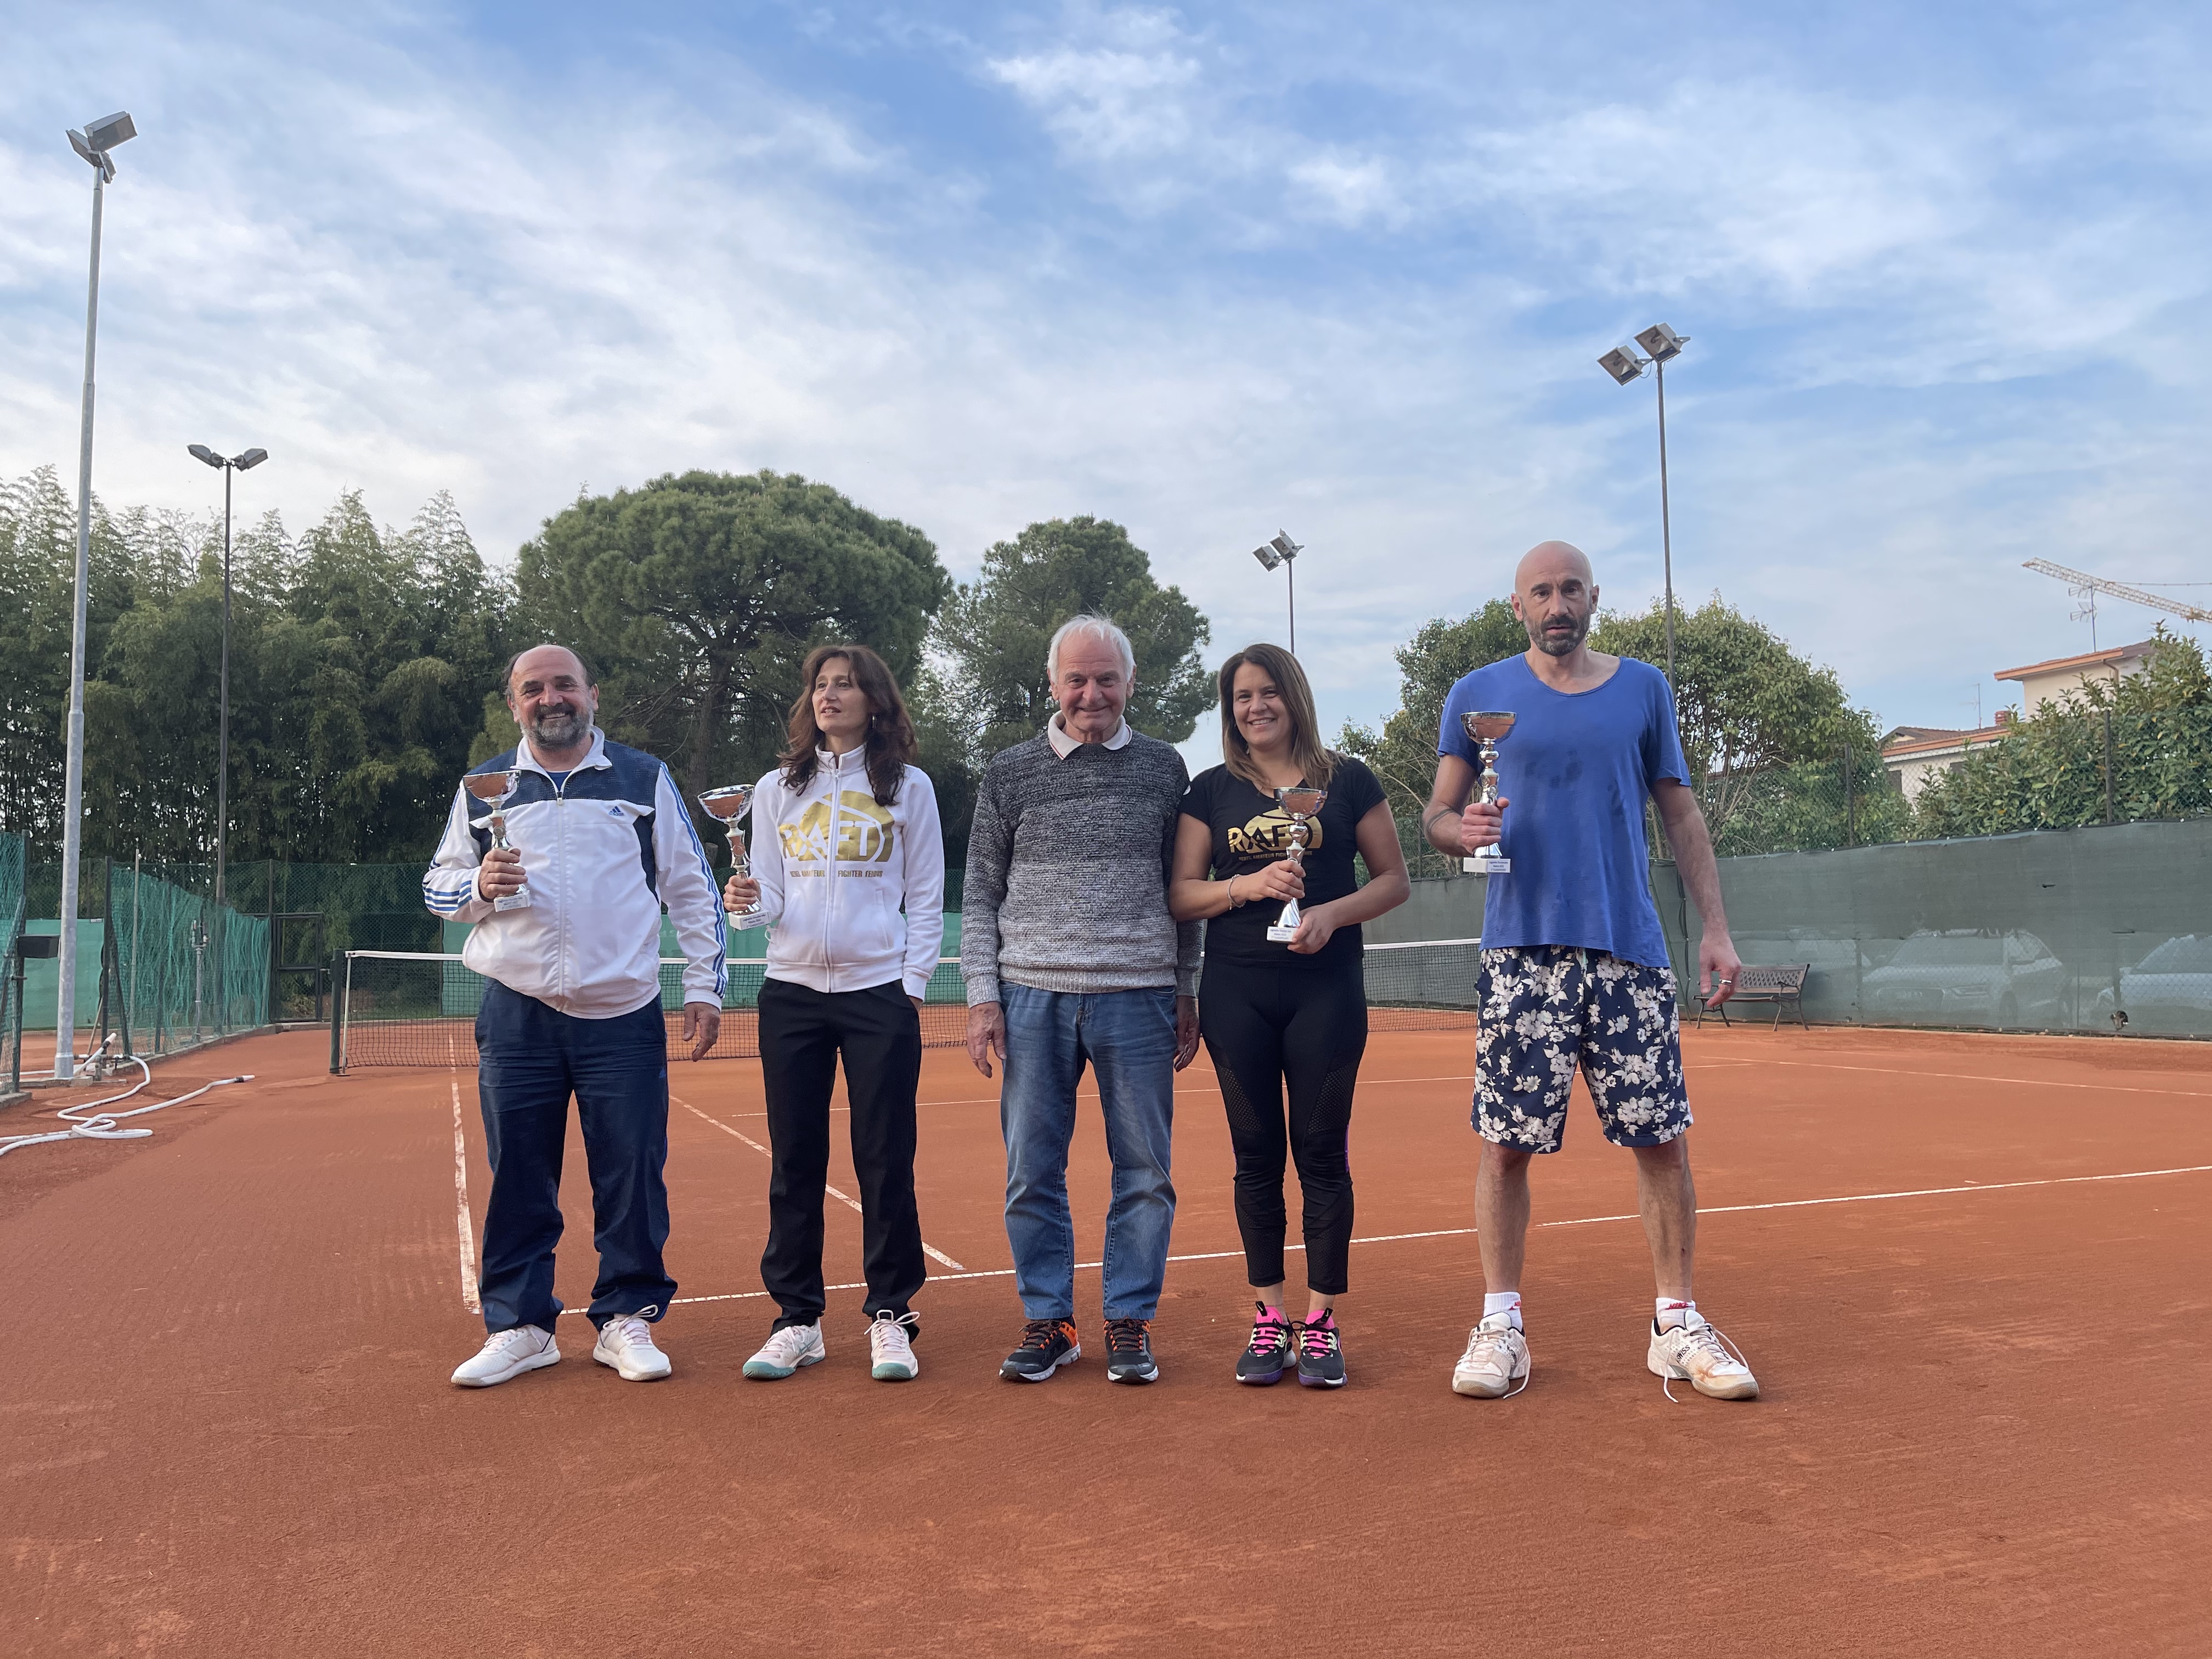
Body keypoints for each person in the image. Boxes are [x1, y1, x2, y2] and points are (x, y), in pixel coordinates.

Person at [1422, 541, 1758, 1402]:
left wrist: (1714, 928)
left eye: (1571, 589)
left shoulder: (1644, 689)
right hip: (1521, 951)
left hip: (1628, 950)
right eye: (1542, 592)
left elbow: (1679, 813)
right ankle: (1502, 1324)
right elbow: (1436, 813)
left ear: (1594, 598)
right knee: (1505, 1148)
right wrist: (1456, 831)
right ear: (1518, 606)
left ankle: (1674, 1322)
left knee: (1661, 1141)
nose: (1557, 604)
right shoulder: (1477, 695)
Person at [427, 644, 726, 1389]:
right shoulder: (483, 789)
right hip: (517, 1013)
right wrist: (480, 885)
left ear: (593, 695)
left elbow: (693, 889)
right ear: (514, 705)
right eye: (534, 689)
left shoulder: (642, 778)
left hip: (621, 1012)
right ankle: (522, 1327)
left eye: (564, 685)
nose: (550, 698)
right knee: (519, 1174)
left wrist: (705, 985)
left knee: (630, 1173)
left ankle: (627, 1317)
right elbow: (437, 888)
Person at [963, 614, 1203, 1385]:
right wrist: (981, 996)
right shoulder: (1009, 772)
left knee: (1145, 1171)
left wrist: (1187, 988)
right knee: (1032, 1171)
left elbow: (1185, 892)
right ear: (1054, 683)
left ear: (1130, 684)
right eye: (1077, 678)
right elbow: (978, 894)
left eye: (1106, 679)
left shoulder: (1168, 770)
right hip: (1031, 997)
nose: (1092, 693)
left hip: (1139, 996)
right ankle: (1051, 1320)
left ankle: (1129, 1317)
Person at [1170, 644, 1408, 1387]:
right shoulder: (1210, 790)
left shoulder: (1348, 780)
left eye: (1268, 692)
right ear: (1229, 709)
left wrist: (1330, 915)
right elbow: (1181, 894)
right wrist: (1244, 887)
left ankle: (1324, 1321)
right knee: (1254, 1155)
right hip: (1237, 993)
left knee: (1321, 1151)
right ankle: (1269, 1320)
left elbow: (1394, 880)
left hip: (1327, 991)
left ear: (1294, 697)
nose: (1255, 707)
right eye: (1242, 697)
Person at [719, 644, 945, 1385]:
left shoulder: (909, 788)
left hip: (878, 991)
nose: (829, 696)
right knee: (795, 1160)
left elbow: (928, 895)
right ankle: (797, 1320)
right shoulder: (779, 787)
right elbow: (775, 899)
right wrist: (750, 907)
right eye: (820, 684)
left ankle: (890, 1314)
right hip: (790, 994)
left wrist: (910, 985)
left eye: (845, 685)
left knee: (885, 1157)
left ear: (874, 701)